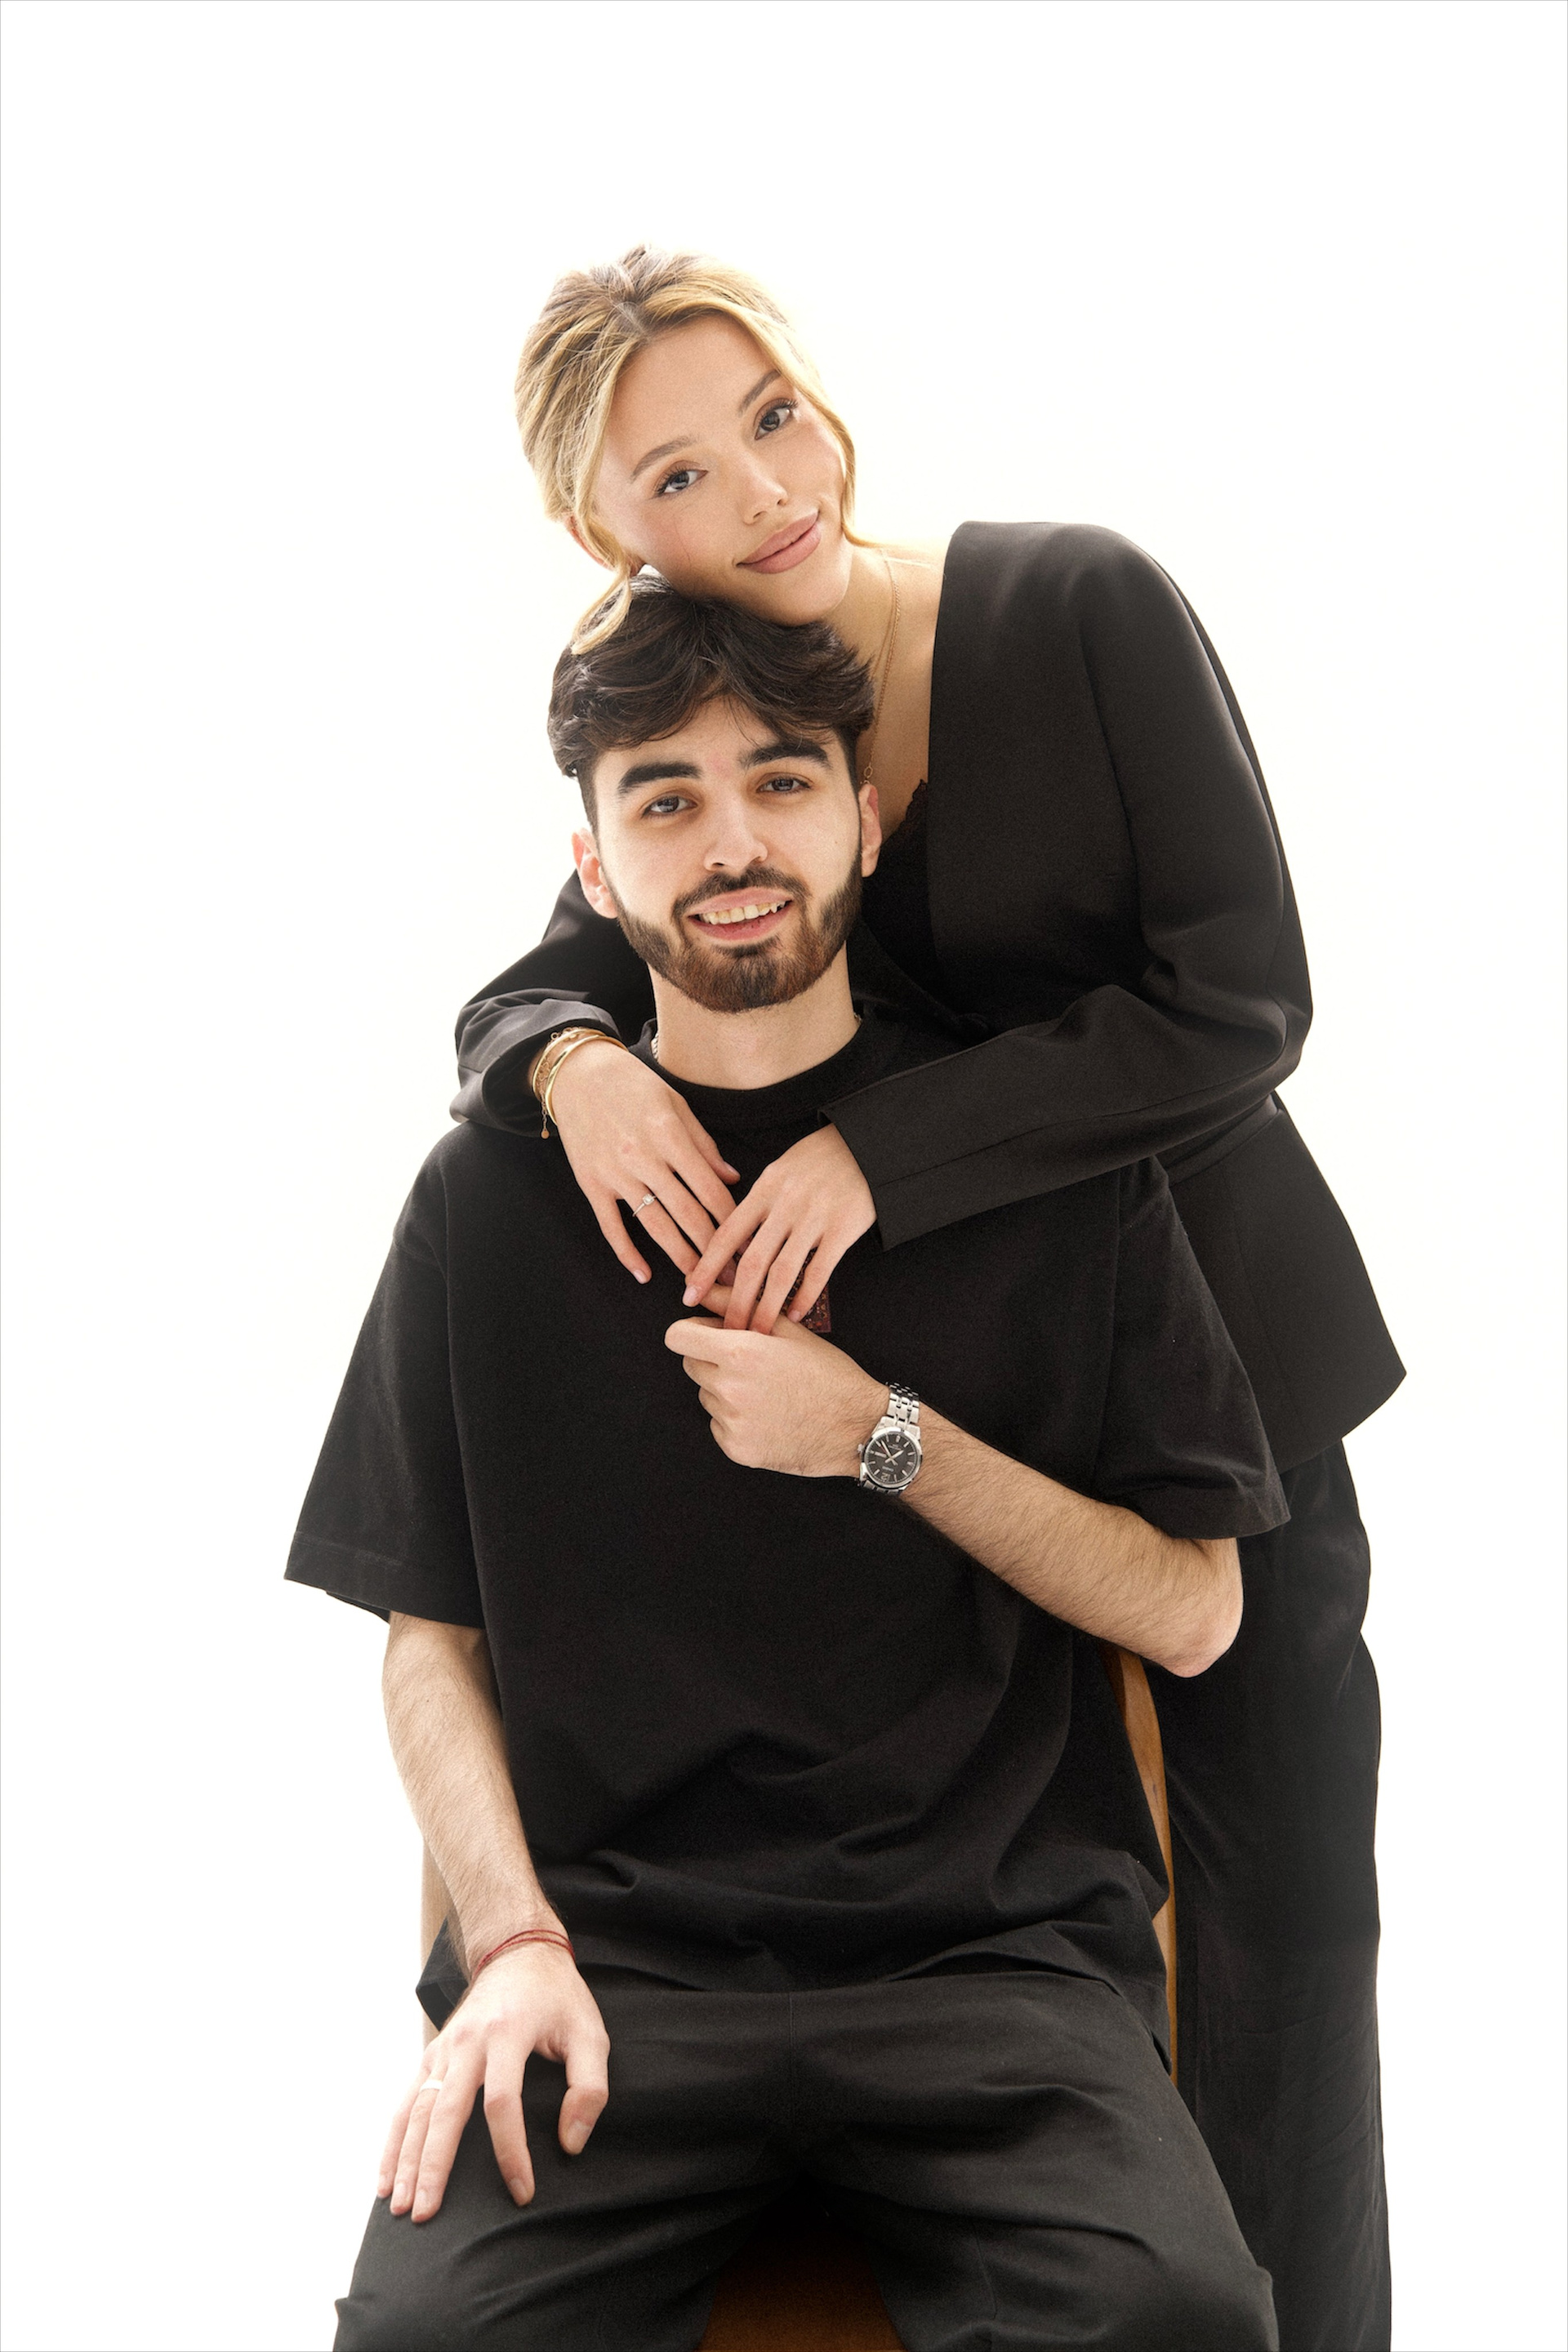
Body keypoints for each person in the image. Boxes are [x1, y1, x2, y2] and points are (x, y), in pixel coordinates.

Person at [448, 248, 1404, 2352]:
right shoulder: (729, 710)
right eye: (680, 477)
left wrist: (884, 1150)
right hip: (942, 1393)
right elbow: (538, 975)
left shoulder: (1078, 603)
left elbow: (1244, 1000)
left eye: (771, 415)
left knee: (1284, 1945)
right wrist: (572, 1063)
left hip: (1218, 1371)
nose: (765, 489)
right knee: (1037, 1933)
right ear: (610, 539)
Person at [288, 586, 1286, 2350]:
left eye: (780, 780)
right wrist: (511, 1943)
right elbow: (428, 1641)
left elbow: (1198, 1613)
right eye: (664, 798)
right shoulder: (488, 1201)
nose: (732, 842)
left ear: (866, 822)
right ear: (593, 867)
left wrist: (878, 1439)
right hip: (617, 1973)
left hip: (994, 1971)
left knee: (1184, 2320)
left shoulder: (1046, 1170)